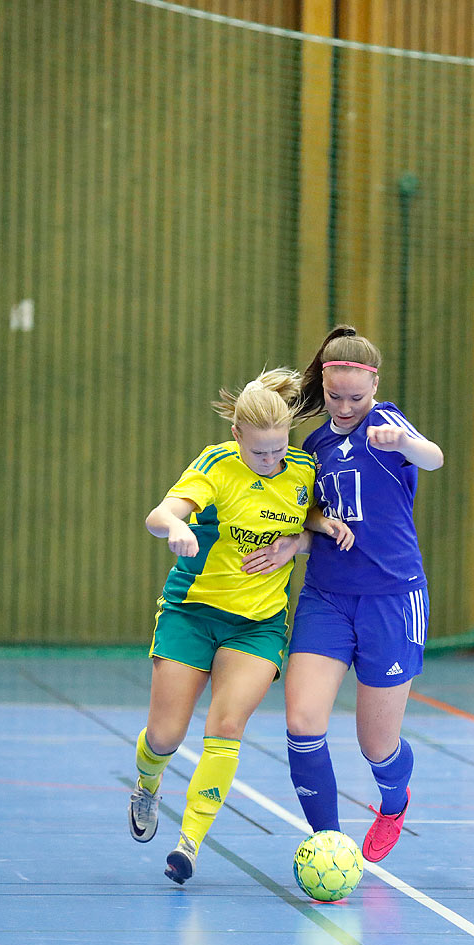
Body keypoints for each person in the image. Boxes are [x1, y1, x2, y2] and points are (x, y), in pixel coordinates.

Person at [130, 369, 353, 885]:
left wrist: (305, 537)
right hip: (193, 613)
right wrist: (177, 527)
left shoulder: (301, 470)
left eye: (279, 450)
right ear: (238, 436)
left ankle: (190, 843)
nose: (272, 462)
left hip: (257, 626)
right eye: (260, 453)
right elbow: (159, 514)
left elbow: (316, 524)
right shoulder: (217, 465)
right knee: (164, 737)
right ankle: (148, 781)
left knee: (226, 727)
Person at [252, 325, 444, 863]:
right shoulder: (314, 446)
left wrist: (404, 442)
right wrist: (298, 541)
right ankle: (329, 842)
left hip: (391, 599)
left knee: (376, 745)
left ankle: (393, 801)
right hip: (327, 597)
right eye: (334, 396)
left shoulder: (387, 423)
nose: (342, 407)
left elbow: (434, 458)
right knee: (302, 721)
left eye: (354, 398)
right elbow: (313, 518)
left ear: (374, 387)